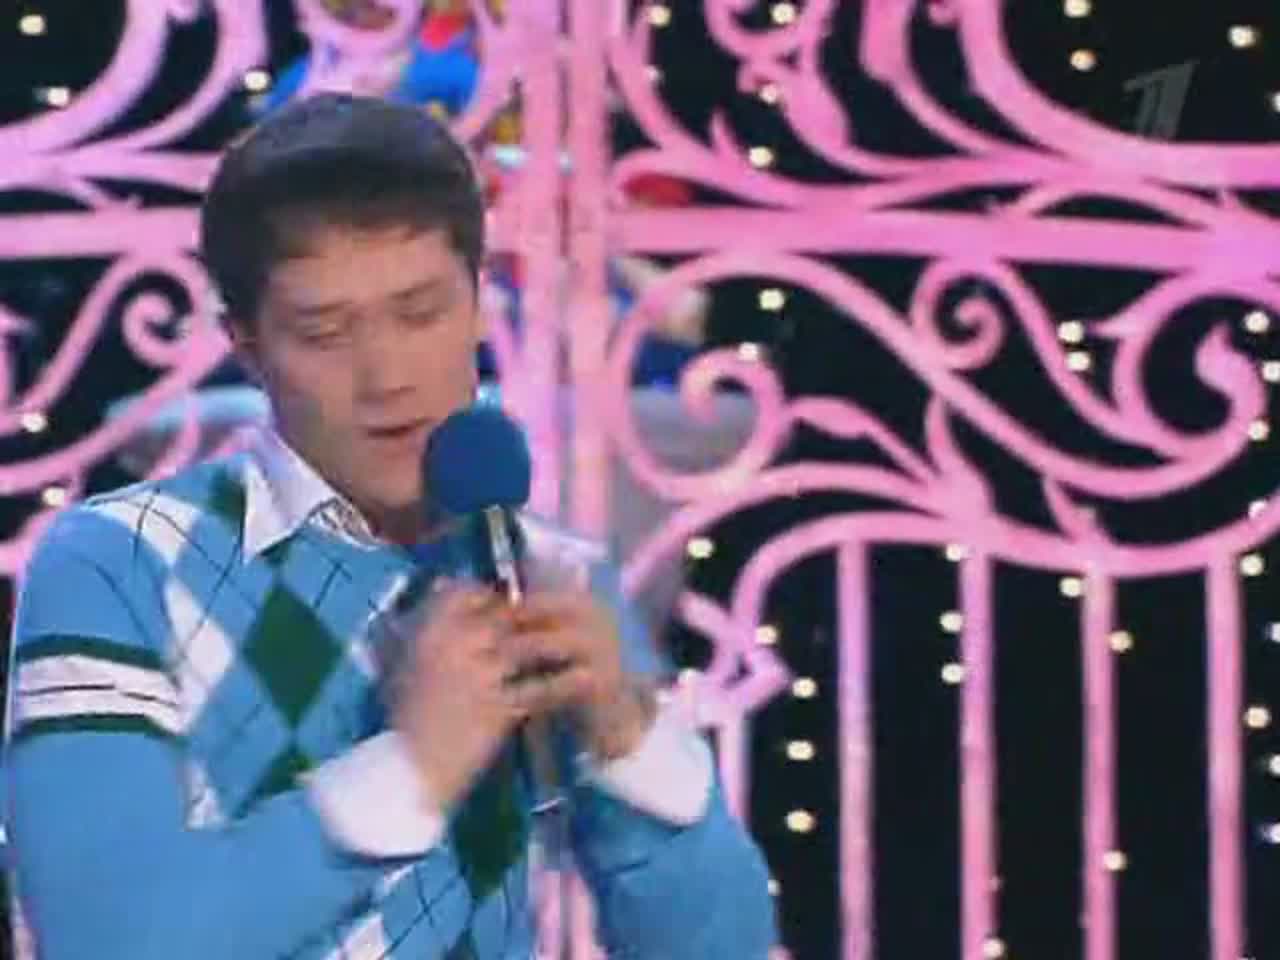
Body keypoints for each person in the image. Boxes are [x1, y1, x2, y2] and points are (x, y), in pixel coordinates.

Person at [4, 94, 776, 958]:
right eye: (325, 332)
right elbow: (106, 941)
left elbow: (722, 947)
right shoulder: (115, 563)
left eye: (420, 313)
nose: (387, 377)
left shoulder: (543, 570)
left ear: (478, 304)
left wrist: (628, 740)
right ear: (248, 346)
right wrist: (413, 765)